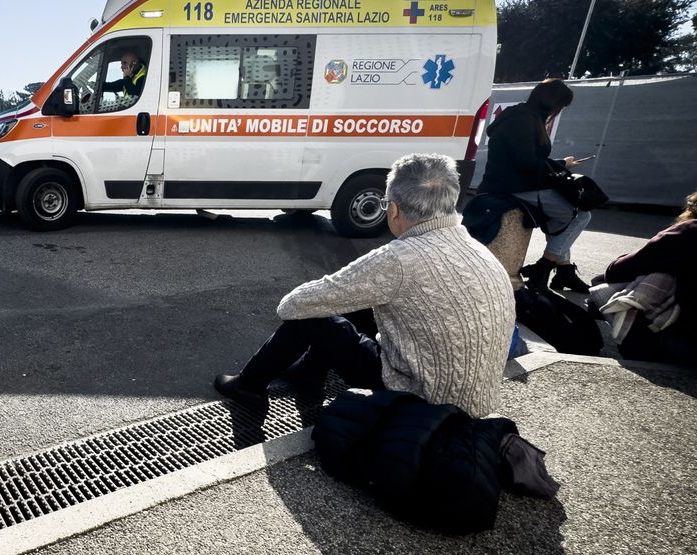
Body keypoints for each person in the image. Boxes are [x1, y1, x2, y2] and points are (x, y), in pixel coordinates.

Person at [214, 154, 516, 419]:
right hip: (478, 402)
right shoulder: (477, 250)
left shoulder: (399, 259)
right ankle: (308, 375)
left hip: (420, 400)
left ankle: (249, 386)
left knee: (314, 316)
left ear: (394, 210)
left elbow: (293, 305)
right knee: (353, 303)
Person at [478, 78, 591, 293]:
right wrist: (559, 169)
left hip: (513, 183)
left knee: (567, 212)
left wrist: (560, 165)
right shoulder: (524, 120)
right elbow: (526, 163)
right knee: (579, 214)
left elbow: (526, 159)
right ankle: (545, 267)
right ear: (553, 104)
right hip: (510, 188)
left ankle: (564, 271)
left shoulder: (524, 116)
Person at [595, 193, 697, 366]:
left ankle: (637, 349)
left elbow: (616, 271)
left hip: (685, 346)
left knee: (600, 284)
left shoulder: (688, 232)